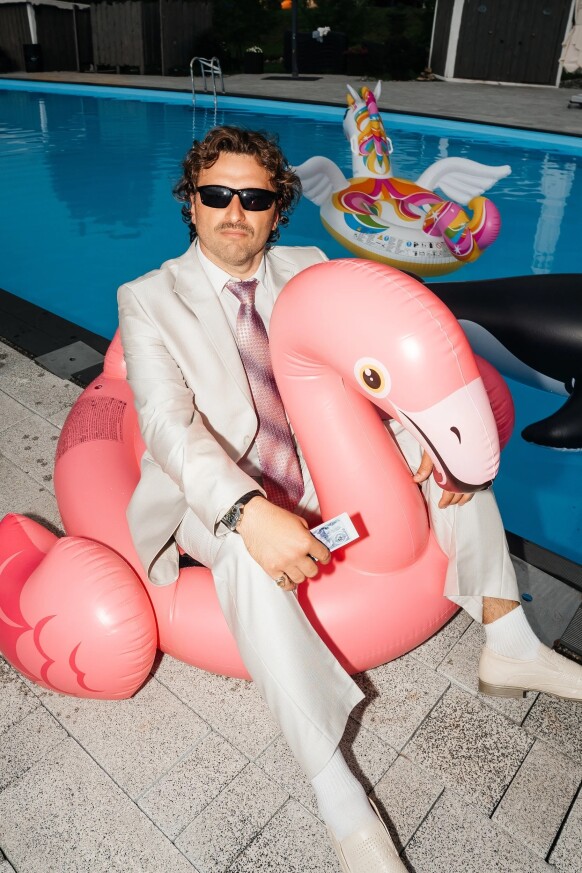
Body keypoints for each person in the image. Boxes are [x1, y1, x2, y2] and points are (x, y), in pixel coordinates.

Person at [118, 125, 582, 873]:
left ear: (278, 209)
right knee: (244, 551)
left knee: (451, 469)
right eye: (217, 194)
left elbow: (363, 373)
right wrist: (246, 509)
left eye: (254, 198)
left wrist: (412, 440)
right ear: (191, 202)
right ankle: (337, 792)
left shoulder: (311, 267)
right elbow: (169, 427)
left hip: (319, 468)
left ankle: (510, 644)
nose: (234, 211)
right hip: (214, 489)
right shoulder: (147, 298)